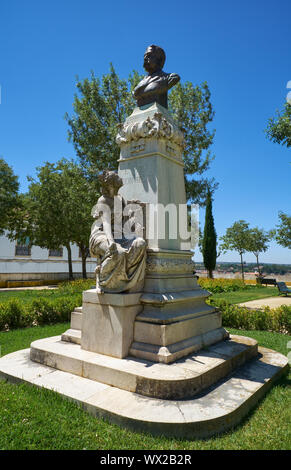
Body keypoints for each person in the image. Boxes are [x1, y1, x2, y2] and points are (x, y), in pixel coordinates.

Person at [89, 171, 146, 293]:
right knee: (117, 252)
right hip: (102, 234)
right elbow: (106, 223)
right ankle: (103, 278)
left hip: (119, 235)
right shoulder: (103, 201)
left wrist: (134, 205)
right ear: (111, 184)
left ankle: (120, 278)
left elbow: (125, 214)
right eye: (116, 177)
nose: (120, 179)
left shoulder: (120, 199)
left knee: (140, 244)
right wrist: (111, 242)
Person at [133, 45, 180, 109]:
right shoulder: (140, 83)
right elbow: (135, 94)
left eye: (149, 55)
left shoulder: (170, 78)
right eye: (144, 56)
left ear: (159, 60)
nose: (145, 58)